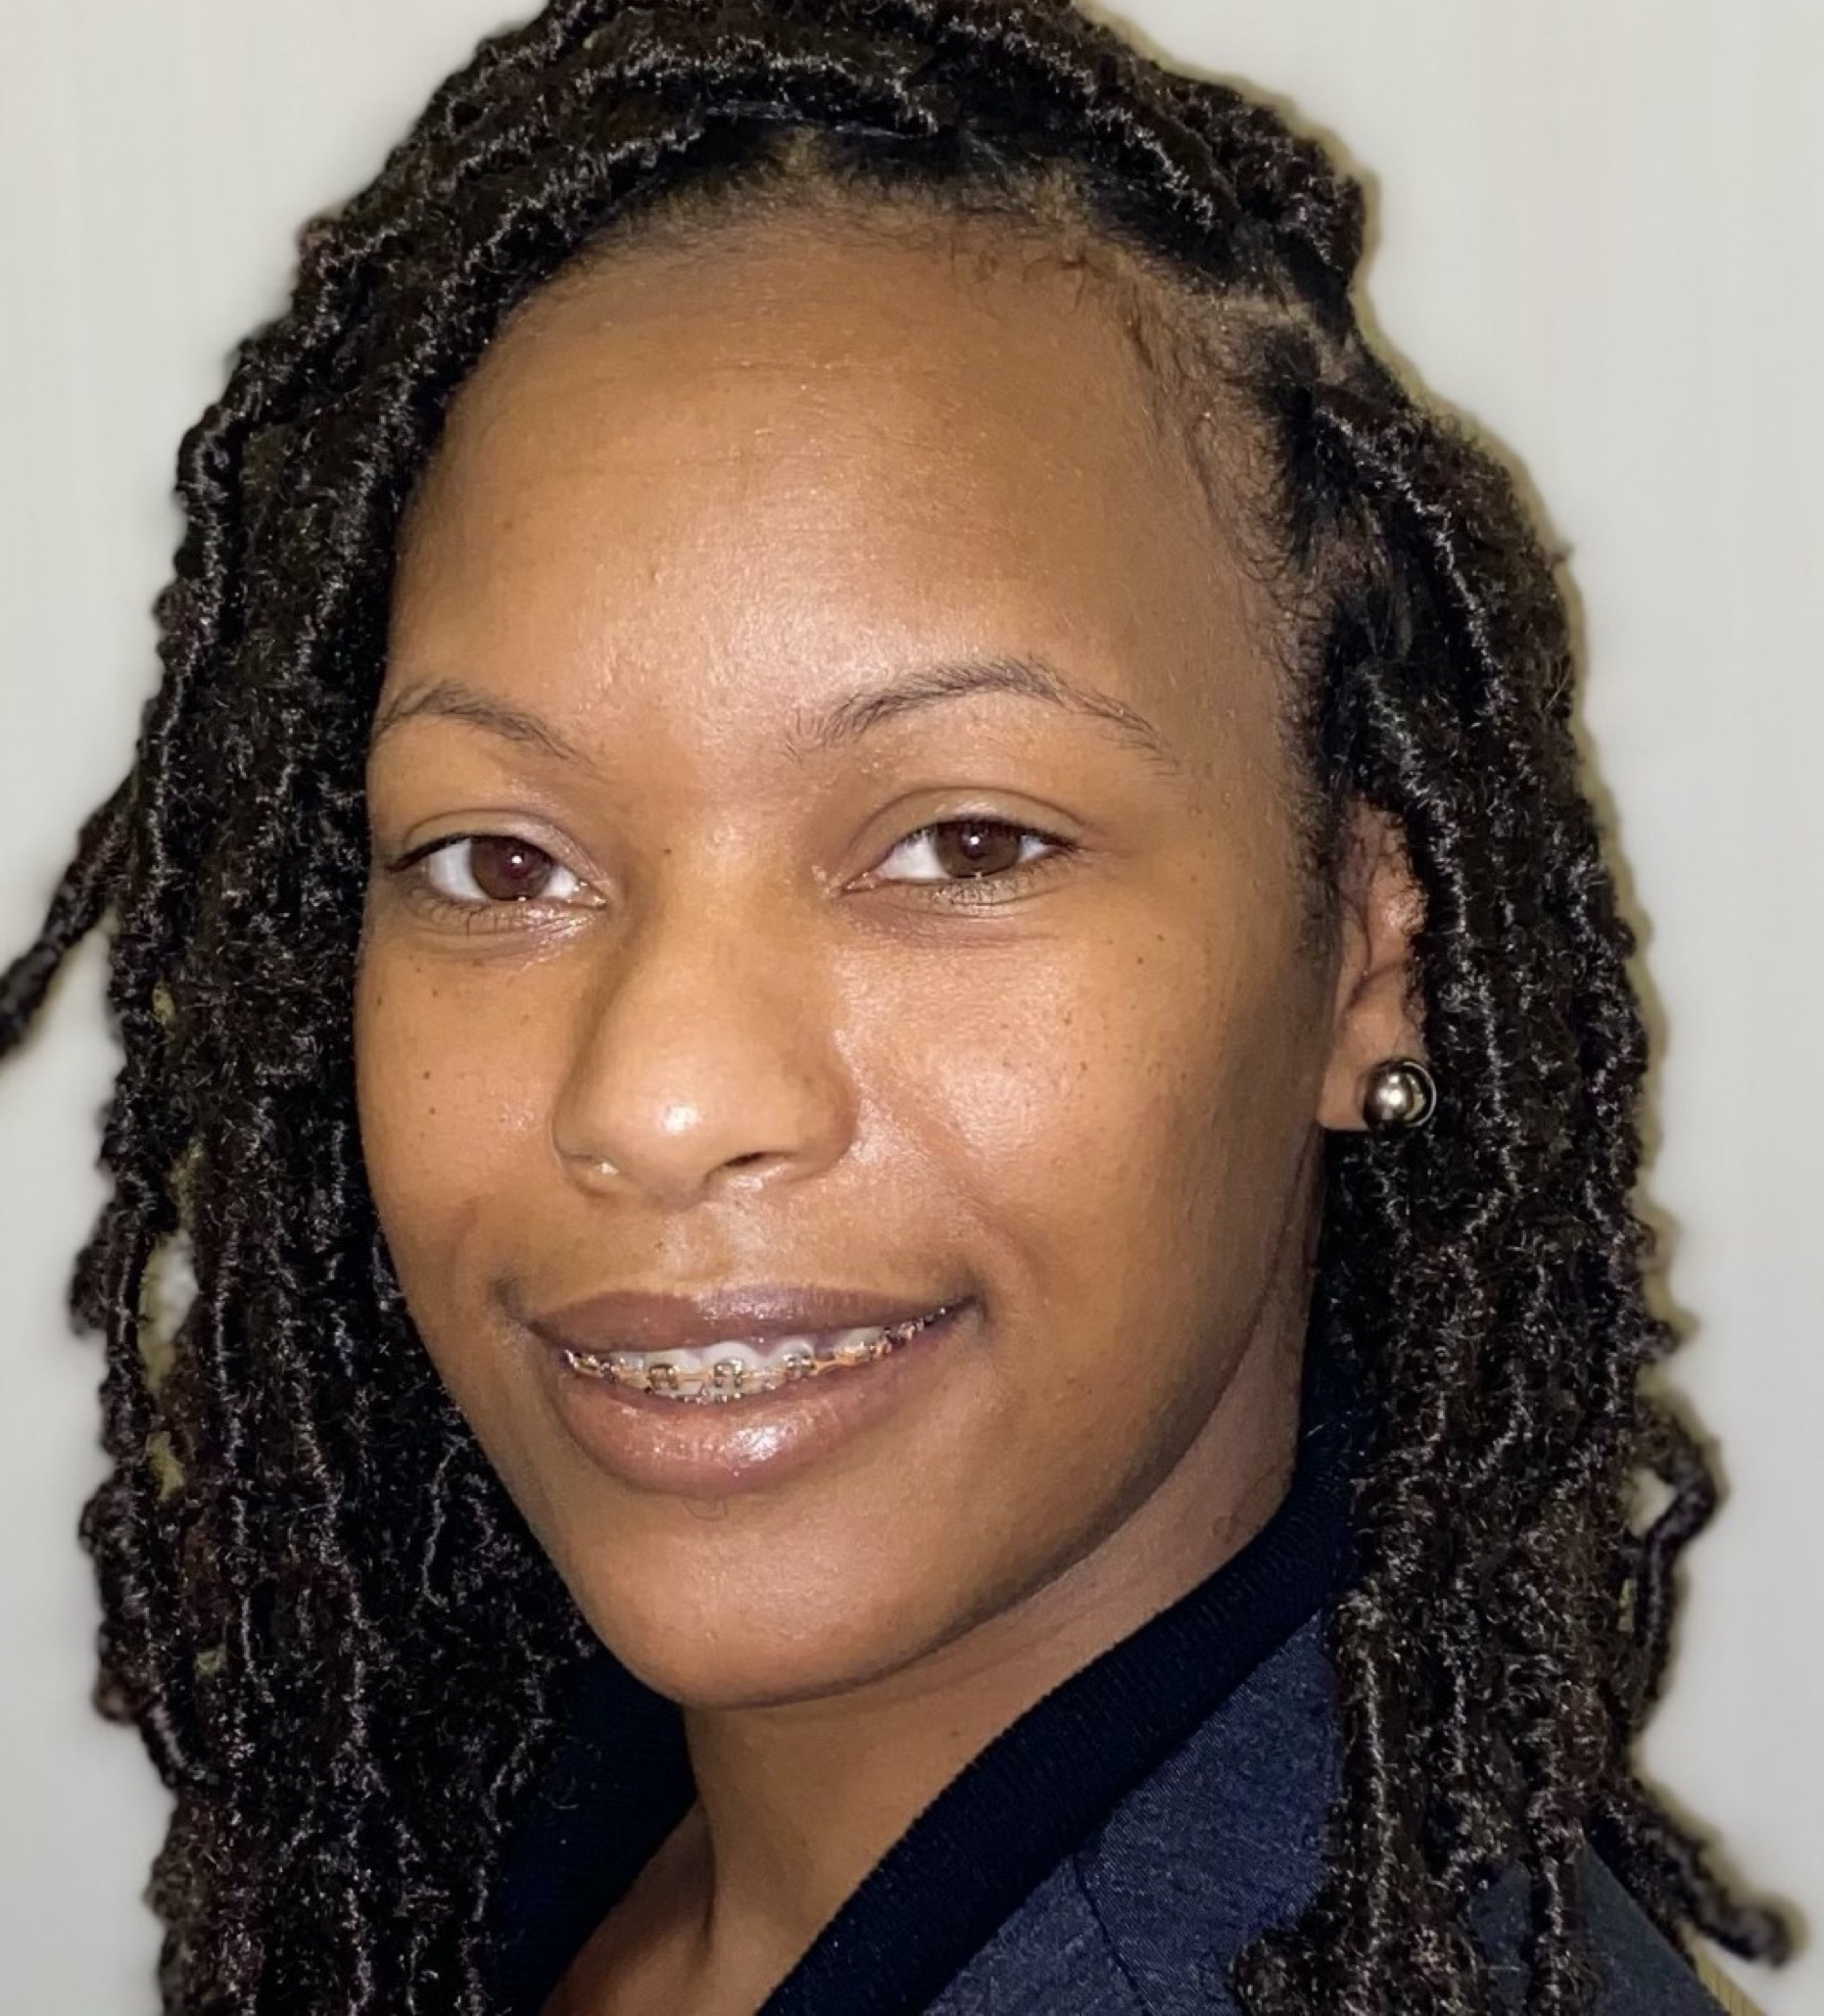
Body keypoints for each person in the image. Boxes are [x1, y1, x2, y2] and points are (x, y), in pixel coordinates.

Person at [0, 2, 1791, 2011]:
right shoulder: (490, 1808)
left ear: (1371, 948)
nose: (661, 1098)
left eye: (962, 842)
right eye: (500, 862)